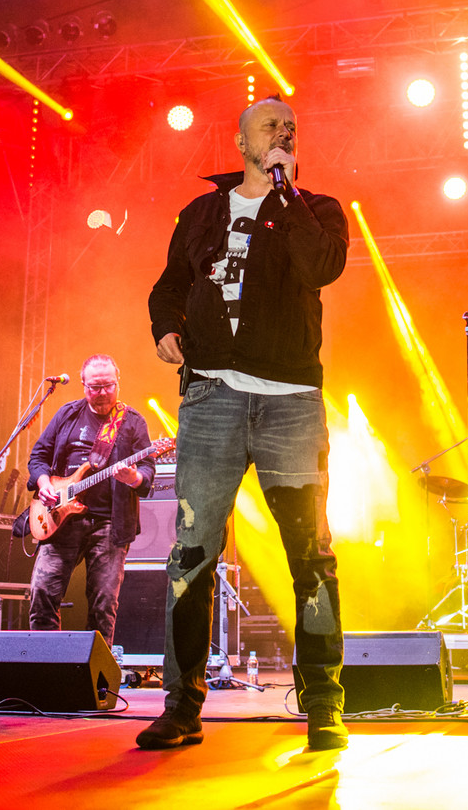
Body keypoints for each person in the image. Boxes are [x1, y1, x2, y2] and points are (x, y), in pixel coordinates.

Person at [141, 96, 350, 752]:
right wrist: (166, 326)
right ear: (240, 141)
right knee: (191, 553)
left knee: (310, 555)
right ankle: (181, 706)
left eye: (291, 127)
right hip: (211, 399)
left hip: (290, 400)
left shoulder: (317, 209)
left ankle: (323, 704)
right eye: (270, 125)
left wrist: (285, 195)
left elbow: (322, 266)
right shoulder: (201, 213)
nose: (284, 131)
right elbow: (168, 284)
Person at [26, 354, 156, 643]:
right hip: (61, 519)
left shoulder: (132, 421)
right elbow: (38, 456)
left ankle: (94, 669)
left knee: (103, 604)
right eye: (94, 387)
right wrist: (44, 483)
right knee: (42, 592)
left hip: (109, 524)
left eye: (108, 385)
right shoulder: (67, 414)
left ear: (118, 382)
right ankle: (46, 662)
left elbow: (147, 469)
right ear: (83, 384)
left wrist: (133, 478)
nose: (102, 393)